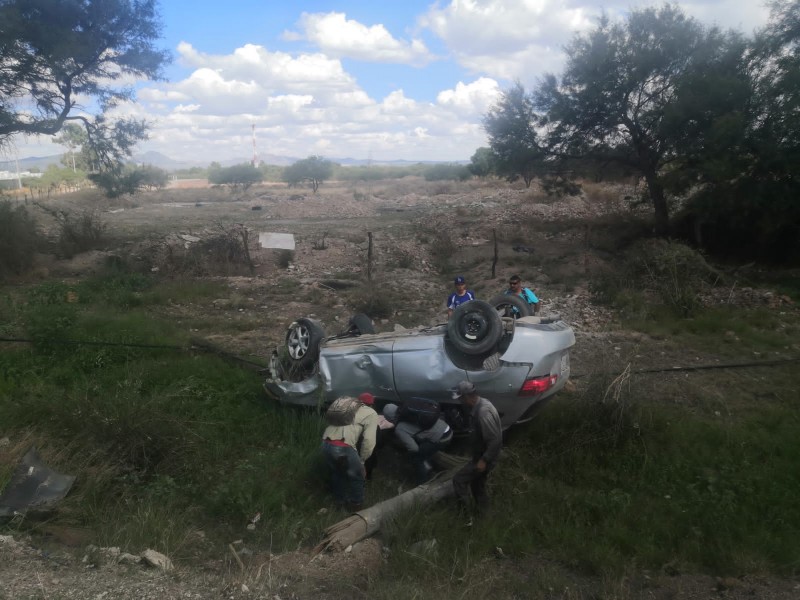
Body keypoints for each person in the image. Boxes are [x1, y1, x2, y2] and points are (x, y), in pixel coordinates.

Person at [451, 381, 502, 519]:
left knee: (459, 480)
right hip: (481, 456)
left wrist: (484, 460)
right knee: (477, 485)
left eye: (461, 398)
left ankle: (465, 517)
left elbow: (495, 440)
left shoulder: (483, 412)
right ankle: (484, 515)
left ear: (467, 397)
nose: (460, 401)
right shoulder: (481, 403)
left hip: (485, 458)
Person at [321, 395, 378, 511]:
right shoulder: (371, 413)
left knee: (337, 473)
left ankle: (339, 502)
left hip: (325, 443)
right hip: (342, 447)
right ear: (371, 404)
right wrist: (362, 461)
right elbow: (369, 440)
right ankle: (356, 507)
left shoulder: (347, 408)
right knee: (358, 475)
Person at [383, 403, 453, 484]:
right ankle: (429, 464)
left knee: (416, 458)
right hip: (447, 428)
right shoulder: (410, 411)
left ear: (389, 419)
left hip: (442, 438)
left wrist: (409, 453)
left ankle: (423, 483)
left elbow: (414, 448)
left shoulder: (400, 428)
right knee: (423, 448)